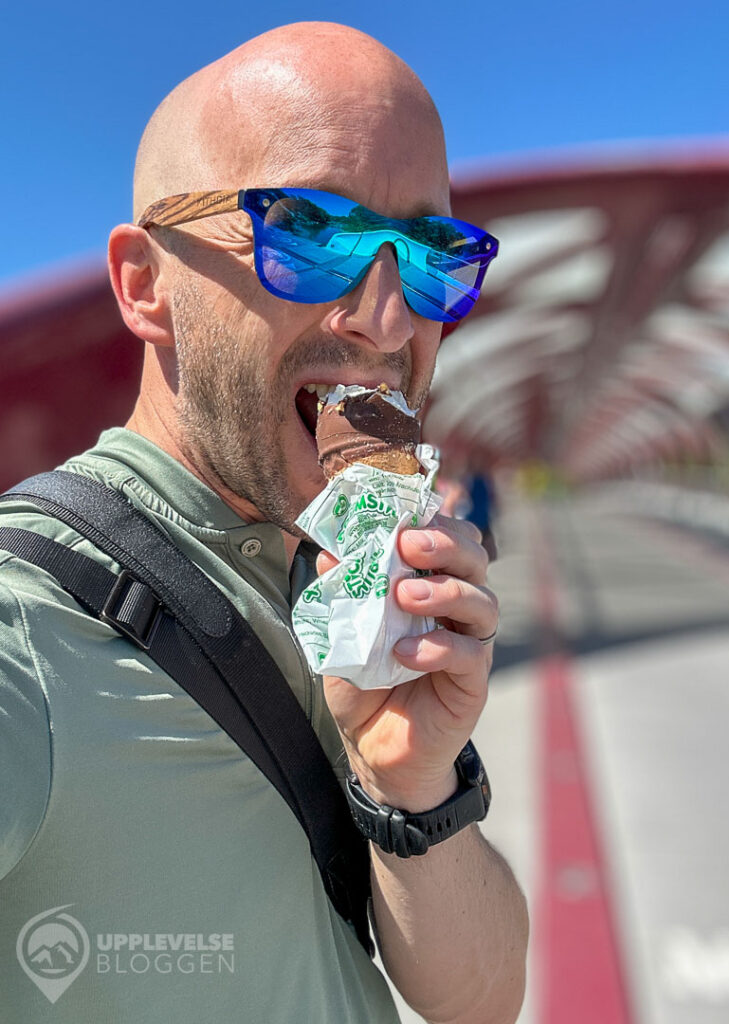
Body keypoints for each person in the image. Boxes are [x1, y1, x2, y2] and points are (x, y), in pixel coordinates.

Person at [0, 22, 528, 1023]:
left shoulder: (336, 586)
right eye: (311, 232)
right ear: (146, 285)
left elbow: (483, 999)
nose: (387, 317)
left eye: (432, 253)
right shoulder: (27, 621)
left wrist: (414, 784)